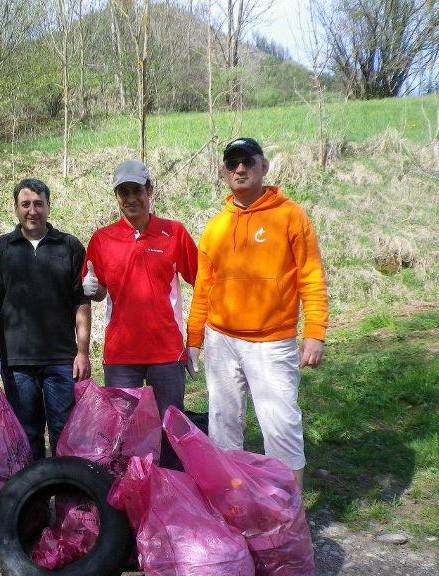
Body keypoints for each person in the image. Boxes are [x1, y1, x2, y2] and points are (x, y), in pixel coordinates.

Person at [186, 137, 328, 489]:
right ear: (223, 173)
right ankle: (232, 506)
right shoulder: (216, 227)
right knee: (223, 427)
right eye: (232, 164)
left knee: (281, 428)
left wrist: (314, 331)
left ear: (263, 167)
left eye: (247, 162)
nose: (240, 169)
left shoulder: (290, 217)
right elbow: (203, 287)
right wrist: (194, 337)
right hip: (221, 341)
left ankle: (288, 515)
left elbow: (311, 276)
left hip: (272, 342)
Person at [82, 160, 198, 468]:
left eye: (137, 191)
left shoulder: (174, 233)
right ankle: (129, 496)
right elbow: (99, 293)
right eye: (124, 192)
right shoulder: (102, 239)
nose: (131, 199)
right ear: (116, 197)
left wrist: (199, 337)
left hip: (167, 351)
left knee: (172, 428)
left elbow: (202, 280)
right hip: (121, 354)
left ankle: (175, 491)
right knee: (122, 429)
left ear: (150, 191)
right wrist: (91, 288)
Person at [0, 178, 91, 460]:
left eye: (38, 204)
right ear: (15, 208)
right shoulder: (1, 249)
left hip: (62, 360)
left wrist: (83, 351)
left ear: (48, 207)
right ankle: (35, 501)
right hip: (18, 363)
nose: (32, 210)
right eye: (25, 204)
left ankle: (68, 501)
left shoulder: (69, 246)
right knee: (27, 434)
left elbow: (82, 301)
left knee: (65, 432)